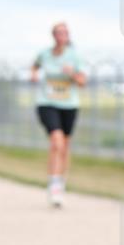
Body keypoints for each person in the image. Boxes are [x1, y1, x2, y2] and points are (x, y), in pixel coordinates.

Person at [31, 22, 87, 207]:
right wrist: (34, 74)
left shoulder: (75, 56)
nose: (62, 36)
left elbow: (82, 81)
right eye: (58, 33)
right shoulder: (45, 54)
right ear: (53, 35)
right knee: (57, 142)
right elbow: (35, 65)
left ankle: (61, 181)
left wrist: (72, 74)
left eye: (65, 33)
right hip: (47, 103)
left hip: (69, 105)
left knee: (65, 146)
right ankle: (54, 184)